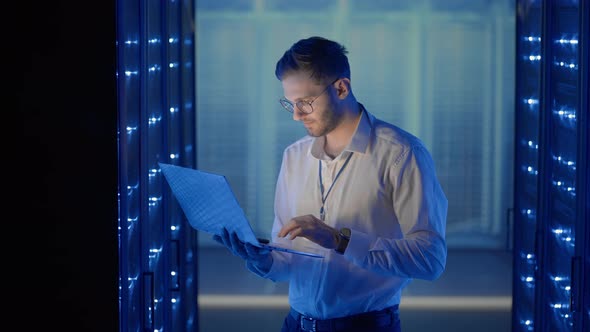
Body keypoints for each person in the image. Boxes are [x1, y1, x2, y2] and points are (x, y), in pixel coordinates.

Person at [213, 36, 448, 332]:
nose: (297, 115)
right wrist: (262, 259)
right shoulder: (294, 156)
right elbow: (286, 257)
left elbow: (430, 260)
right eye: (290, 103)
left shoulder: (401, 154)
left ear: (341, 88)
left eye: (305, 103)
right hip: (296, 324)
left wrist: (341, 241)